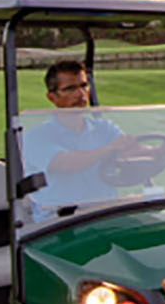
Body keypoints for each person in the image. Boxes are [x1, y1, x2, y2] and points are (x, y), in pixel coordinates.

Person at [20, 59, 143, 215]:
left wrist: (160, 150)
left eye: (84, 86)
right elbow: (65, 163)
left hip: (104, 213)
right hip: (61, 221)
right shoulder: (36, 137)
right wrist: (109, 149)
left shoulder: (104, 127)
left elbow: (130, 150)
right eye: (70, 89)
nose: (80, 94)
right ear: (52, 97)